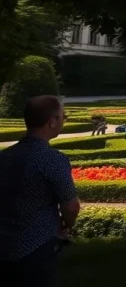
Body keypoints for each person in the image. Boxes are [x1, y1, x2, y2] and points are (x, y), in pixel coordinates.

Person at [0, 96, 80, 287]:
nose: (64, 120)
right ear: (51, 122)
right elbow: (71, 205)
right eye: (63, 117)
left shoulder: (5, 156)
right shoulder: (53, 159)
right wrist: (68, 224)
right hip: (37, 245)